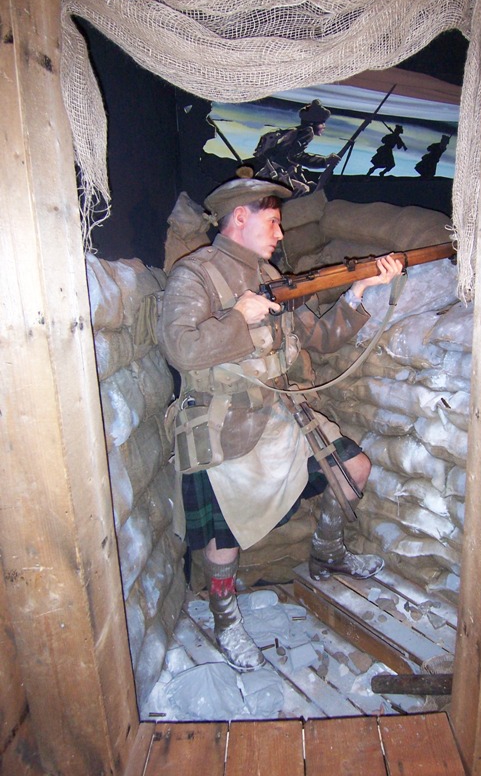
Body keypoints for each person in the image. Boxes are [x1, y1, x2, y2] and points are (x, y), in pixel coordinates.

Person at [157, 178, 403, 673]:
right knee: (221, 540)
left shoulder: (272, 274)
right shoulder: (196, 275)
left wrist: (361, 290)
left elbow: (318, 337)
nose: (280, 230)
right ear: (239, 218)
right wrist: (238, 319)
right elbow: (180, 347)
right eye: (271, 220)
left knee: (352, 467)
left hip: (287, 417)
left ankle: (327, 555)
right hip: (226, 425)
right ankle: (226, 622)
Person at [253, 100, 340, 196]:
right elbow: (295, 156)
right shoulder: (307, 132)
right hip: (275, 176)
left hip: (270, 173)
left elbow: (295, 164)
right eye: (322, 123)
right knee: (304, 190)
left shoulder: (296, 131)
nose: (324, 126)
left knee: (308, 187)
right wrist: (325, 161)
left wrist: (304, 181)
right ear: (313, 123)